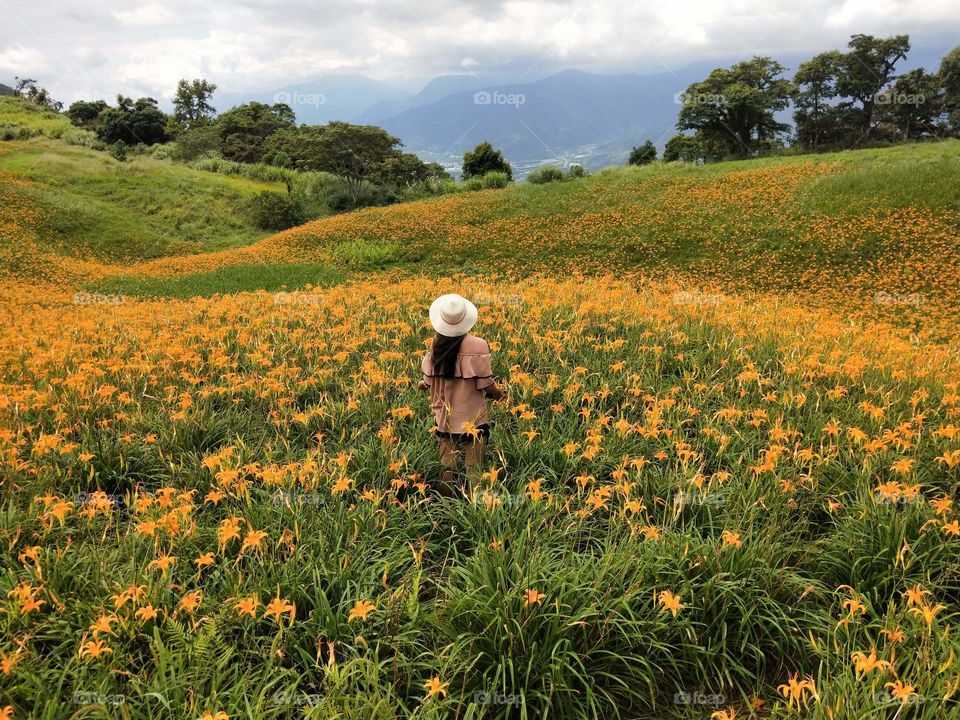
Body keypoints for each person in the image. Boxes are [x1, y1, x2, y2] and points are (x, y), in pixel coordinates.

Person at [419, 293, 506, 496]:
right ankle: (477, 510)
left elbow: (429, 381)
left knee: (446, 468)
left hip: (445, 420)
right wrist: (499, 395)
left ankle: (444, 511)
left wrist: (421, 384)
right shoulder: (478, 345)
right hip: (474, 419)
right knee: (474, 468)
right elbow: (485, 384)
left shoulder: (436, 347)